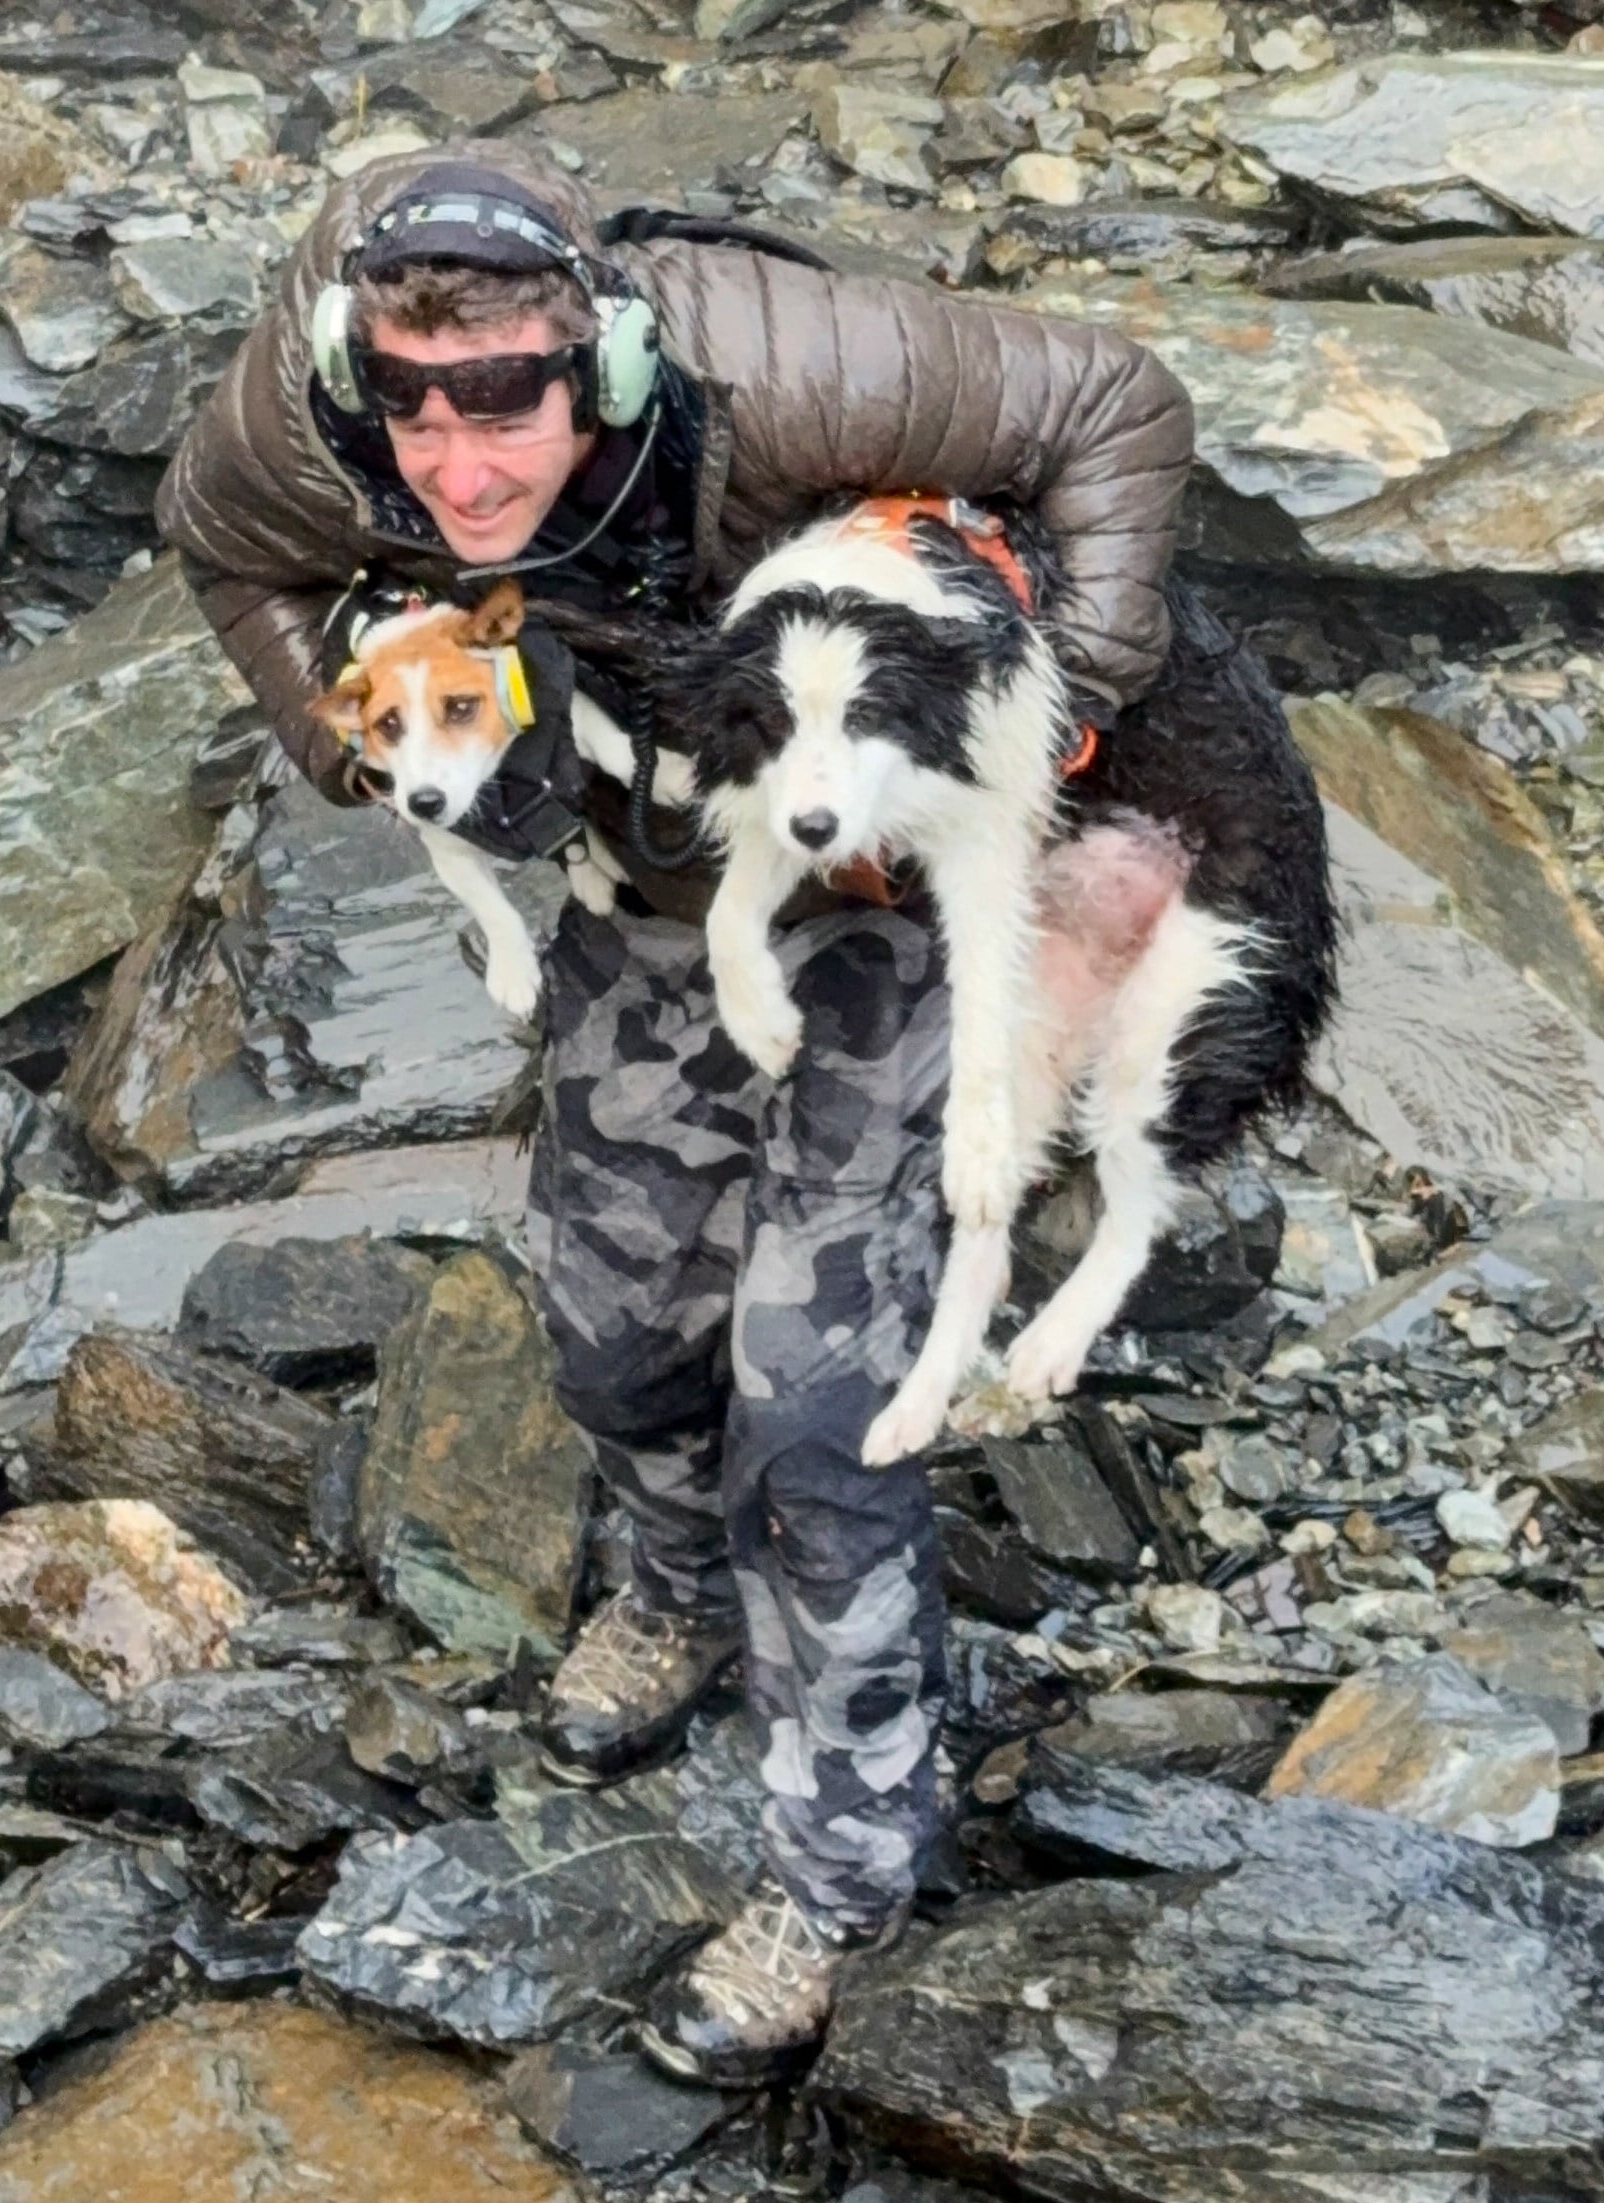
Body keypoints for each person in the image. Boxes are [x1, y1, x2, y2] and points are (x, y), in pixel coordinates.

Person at [157, 140, 1194, 2089]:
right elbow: (223, 549)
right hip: (649, 871)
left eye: (511, 406)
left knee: (816, 1402)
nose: (459, 467)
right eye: (412, 406)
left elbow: (1113, 401)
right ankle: (666, 1590)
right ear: (346, 366)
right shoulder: (296, 435)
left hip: (894, 874)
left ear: (604, 364)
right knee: (618, 1324)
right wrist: (331, 729)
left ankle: (840, 1860)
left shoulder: (784, 365)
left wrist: (1071, 696)